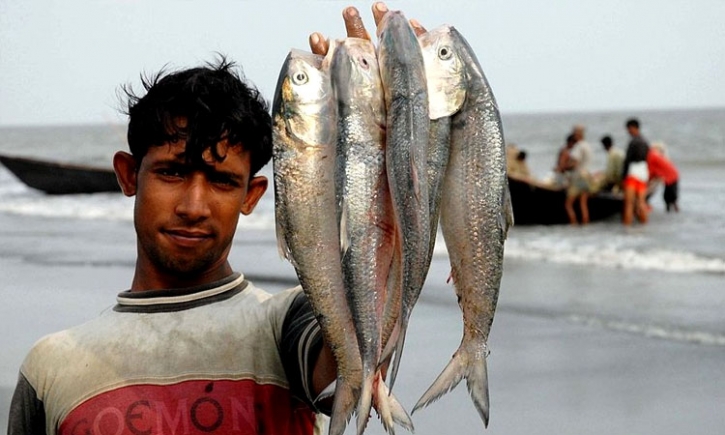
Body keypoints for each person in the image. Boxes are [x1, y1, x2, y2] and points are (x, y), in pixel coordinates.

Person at [8, 4, 404, 433]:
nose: (193, 207)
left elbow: (347, 364)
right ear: (127, 175)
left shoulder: (285, 323)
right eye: (172, 172)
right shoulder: (50, 366)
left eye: (221, 181)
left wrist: (383, 150)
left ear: (252, 195)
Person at [622, 118, 651, 225]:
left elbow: (627, 161)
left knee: (629, 203)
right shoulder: (645, 141)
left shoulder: (633, 142)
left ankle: (627, 229)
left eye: (628, 129)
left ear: (633, 128)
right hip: (643, 172)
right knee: (641, 202)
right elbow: (648, 157)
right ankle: (644, 226)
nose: (628, 132)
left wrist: (623, 177)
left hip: (633, 172)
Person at [564, 125, 593, 225]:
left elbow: (574, 163)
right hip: (587, 176)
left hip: (579, 177)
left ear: (577, 134)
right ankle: (585, 224)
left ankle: (574, 224)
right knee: (583, 203)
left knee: (568, 204)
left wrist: (563, 167)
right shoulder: (587, 145)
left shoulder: (578, 146)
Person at [647, 143, 680, 212]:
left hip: (671, 176)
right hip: (672, 175)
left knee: (669, 197)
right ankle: (673, 210)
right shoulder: (655, 155)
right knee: (670, 197)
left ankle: (671, 210)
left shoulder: (651, 156)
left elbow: (650, 170)